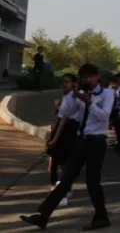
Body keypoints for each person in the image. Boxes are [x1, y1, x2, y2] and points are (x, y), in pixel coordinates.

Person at [21, 64, 114, 230]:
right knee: (65, 180)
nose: (88, 80)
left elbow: (104, 116)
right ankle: (43, 215)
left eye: (91, 76)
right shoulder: (80, 94)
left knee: (92, 181)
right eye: (84, 77)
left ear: (97, 77)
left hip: (97, 141)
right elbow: (66, 112)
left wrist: (89, 103)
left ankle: (102, 216)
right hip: (81, 140)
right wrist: (74, 95)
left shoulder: (107, 94)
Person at [45, 73, 80, 207]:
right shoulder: (65, 97)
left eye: (67, 82)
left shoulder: (73, 98)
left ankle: (64, 191)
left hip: (67, 131)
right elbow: (59, 117)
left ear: (74, 84)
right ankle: (58, 188)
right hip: (61, 128)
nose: (64, 84)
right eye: (63, 82)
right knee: (56, 161)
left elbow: (64, 120)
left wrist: (54, 139)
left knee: (64, 163)